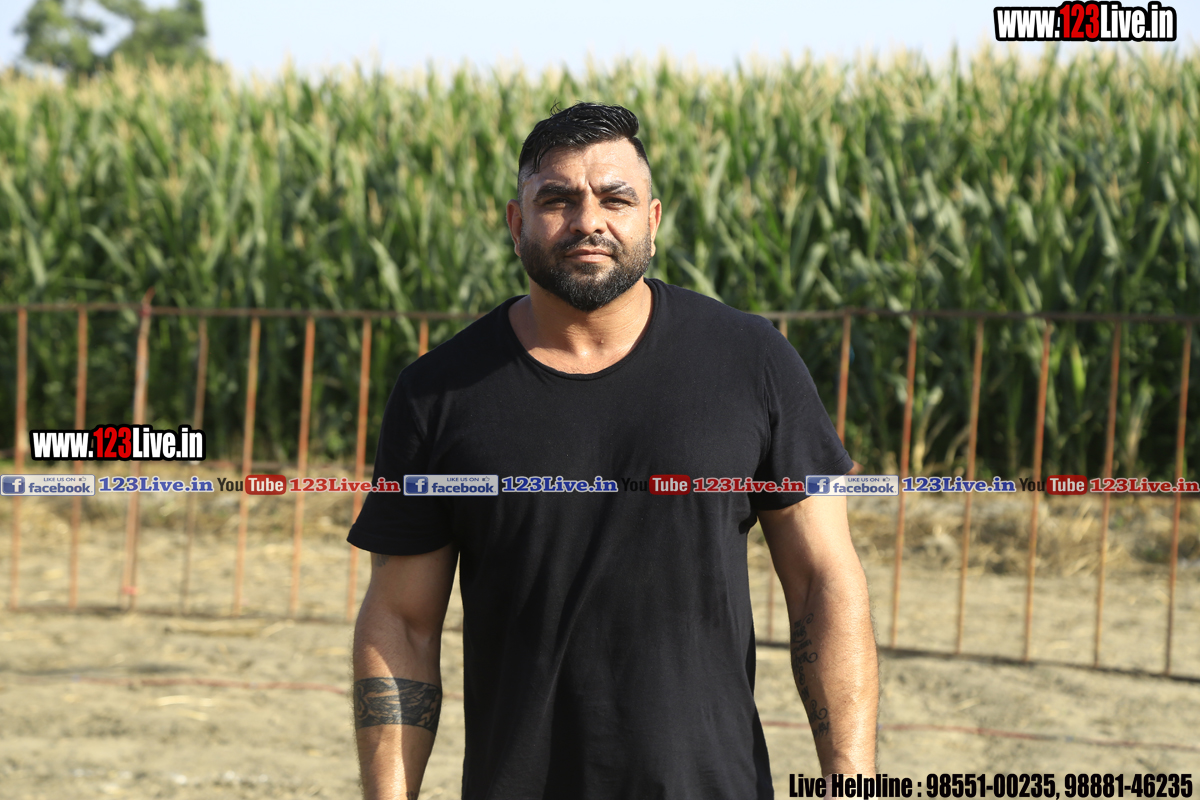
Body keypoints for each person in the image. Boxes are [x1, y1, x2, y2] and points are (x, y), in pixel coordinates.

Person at [348, 102, 878, 800]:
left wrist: (851, 782)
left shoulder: (751, 362)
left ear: (652, 222)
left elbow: (822, 583)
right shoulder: (437, 393)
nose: (587, 221)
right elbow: (403, 622)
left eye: (615, 199)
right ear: (516, 223)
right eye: (557, 200)